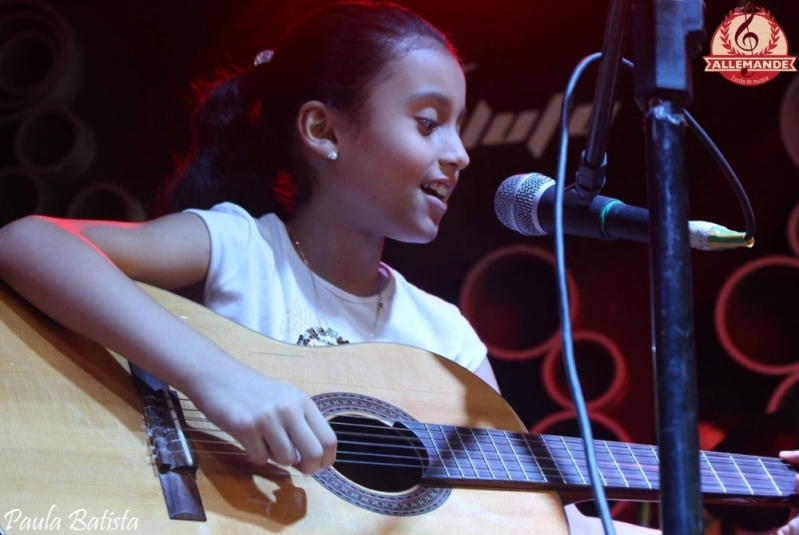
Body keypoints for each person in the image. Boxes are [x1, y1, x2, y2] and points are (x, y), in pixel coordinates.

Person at [0, 1, 792, 533]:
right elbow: (28, 241)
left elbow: (537, 520)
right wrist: (218, 378)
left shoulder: (444, 336)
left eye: (455, 127)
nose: (458, 152)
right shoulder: (242, 247)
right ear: (323, 130)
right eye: (427, 122)